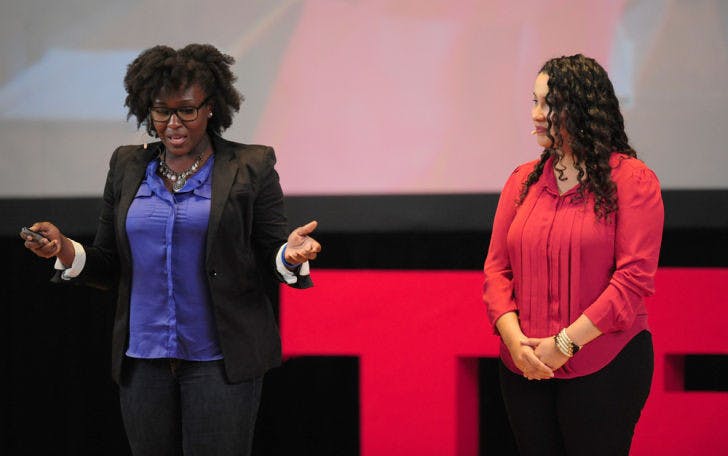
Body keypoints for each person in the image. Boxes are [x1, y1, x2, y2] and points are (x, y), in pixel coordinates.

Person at [21, 43, 321, 456]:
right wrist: (64, 250)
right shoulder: (127, 166)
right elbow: (109, 263)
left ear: (211, 108)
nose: (173, 123)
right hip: (143, 360)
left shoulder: (250, 166)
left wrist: (290, 255)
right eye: (162, 111)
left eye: (187, 110)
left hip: (220, 360)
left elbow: (272, 251)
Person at [482, 54, 663, 456]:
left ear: (582, 107)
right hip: (524, 367)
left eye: (548, 103)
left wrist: (563, 343)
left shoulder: (632, 182)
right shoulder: (521, 181)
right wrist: (516, 343)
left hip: (606, 363)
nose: (536, 114)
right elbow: (496, 271)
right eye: (534, 101)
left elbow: (631, 281)